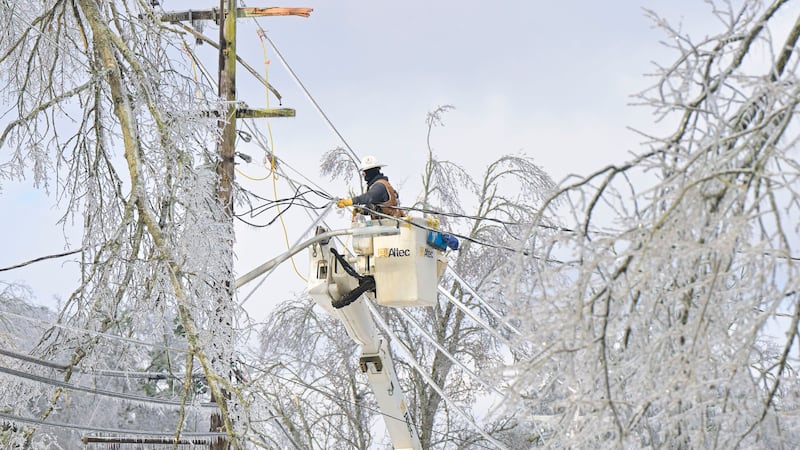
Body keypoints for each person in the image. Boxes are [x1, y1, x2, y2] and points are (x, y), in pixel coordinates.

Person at [337, 155, 404, 219]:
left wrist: (350, 201)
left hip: (393, 225)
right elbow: (374, 208)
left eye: (364, 172)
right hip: (385, 225)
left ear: (370, 172)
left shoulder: (380, 186)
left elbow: (369, 197)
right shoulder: (377, 185)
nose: (363, 175)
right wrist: (362, 210)